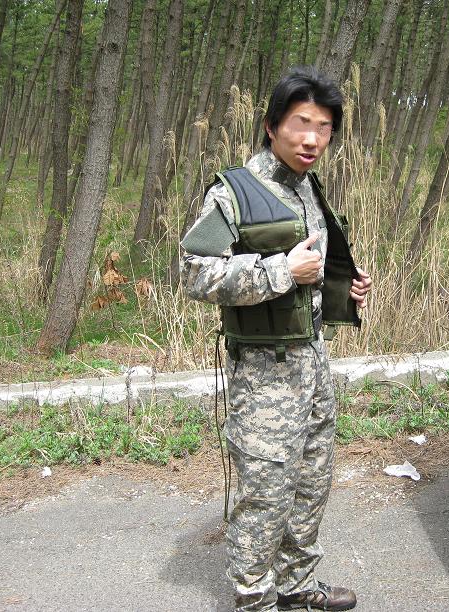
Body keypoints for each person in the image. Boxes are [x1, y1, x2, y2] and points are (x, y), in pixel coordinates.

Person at [180, 66, 372, 612]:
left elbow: (311, 269)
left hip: (313, 365)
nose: (313, 139)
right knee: (264, 494)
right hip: (264, 377)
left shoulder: (308, 187)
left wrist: (343, 288)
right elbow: (194, 273)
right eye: (301, 123)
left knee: (312, 482)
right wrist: (281, 271)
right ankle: (254, 598)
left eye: (324, 127)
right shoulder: (235, 192)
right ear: (271, 127)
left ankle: (295, 584)